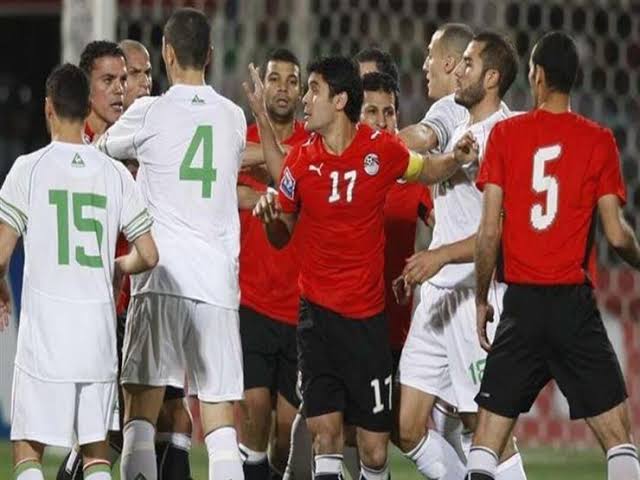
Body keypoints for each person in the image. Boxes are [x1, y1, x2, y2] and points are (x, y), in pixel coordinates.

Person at [248, 55, 476, 480]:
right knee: (326, 437)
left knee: (374, 449)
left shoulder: (381, 150)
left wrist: (456, 158)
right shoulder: (299, 162)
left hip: (367, 325)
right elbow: (282, 235)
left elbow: (425, 168)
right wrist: (270, 220)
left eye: (313, 90)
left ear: (339, 101)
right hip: (316, 322)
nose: (304, 100)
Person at [468, 31, 640, 480]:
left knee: (485, 444)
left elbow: (489, 231)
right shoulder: (599, 141)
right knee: (620, 440)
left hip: (521, 307)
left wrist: (482, 298)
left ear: (538, 76)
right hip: (572, 308)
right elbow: (617, 235)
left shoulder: (505, 135)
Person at [96, 8, 246, 480]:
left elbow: (100, 151)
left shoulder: (148, 112)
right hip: (217, 284)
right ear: (210, 54)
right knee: (220, 426)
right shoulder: (234, 118)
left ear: (166, 53)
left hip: (160, 278)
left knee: (140, 416)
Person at [4, 63, 157, 480]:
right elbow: (149, 253)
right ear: (88, 106)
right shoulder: (114, 173)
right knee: (95, 454)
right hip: (97, 335)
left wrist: (2, 287)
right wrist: (118, 266)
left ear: (48, 108)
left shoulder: (28, 169)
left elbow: (0, 256)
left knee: (28, 449)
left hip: (45, 335)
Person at [397, 31, 527, 480]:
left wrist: (439, 256)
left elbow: (501, 232)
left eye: (468, 63)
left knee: (486, 429)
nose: (457, 71)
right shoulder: (462, 128)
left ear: (491, 78)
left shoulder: (504, 136)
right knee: (407, 425)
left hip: (476, 294)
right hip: (437, 298)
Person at [235, 48, 308, 480]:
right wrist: (264, 195)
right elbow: (222, 193)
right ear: (262, 86)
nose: (282, 88)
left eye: (291, 81)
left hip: (299, 306)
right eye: (274, 79)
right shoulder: (237, 142)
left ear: (301, 92)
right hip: (252, 299)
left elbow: (299, 192)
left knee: (285, 434)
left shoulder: (311, 145)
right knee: (255, 410)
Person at [79, 41, 127, 141]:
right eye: (108, 80)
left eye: (123, 79)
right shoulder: (69, 143)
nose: (120, 89)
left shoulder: (133, 140)